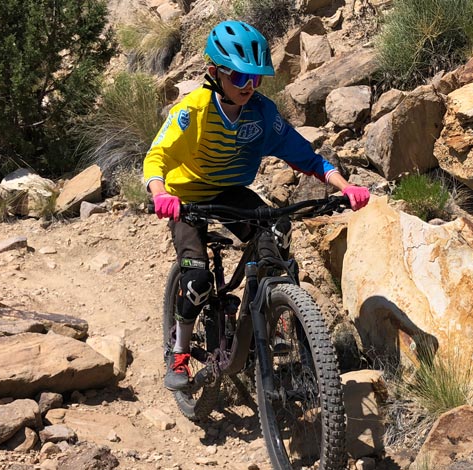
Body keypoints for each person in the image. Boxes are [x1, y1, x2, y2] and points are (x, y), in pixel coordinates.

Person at [143, 20, 370, 391]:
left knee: (276, 236)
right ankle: (180, 352)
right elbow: (158, 156)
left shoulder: (261, 113)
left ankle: (271, 311)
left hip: (231, 191)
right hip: (186, 197)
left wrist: (346, 187)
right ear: (215, 73)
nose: (249, 87)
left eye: (256, 79)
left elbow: (307, 158)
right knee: (198, 278)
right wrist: (160, 194)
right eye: (239, 78)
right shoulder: (194, 110)